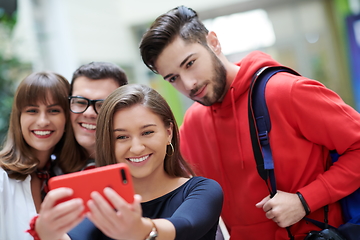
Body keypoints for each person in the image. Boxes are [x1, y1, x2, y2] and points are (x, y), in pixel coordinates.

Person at [139, 6, 360, 240]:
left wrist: (305, 200)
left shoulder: (285, 91)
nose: (189, 84)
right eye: (173, 78)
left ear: (213, 42)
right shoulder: (193, 124)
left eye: (190, 63)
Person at [34, 84, 224, 240]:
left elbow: (185, 225)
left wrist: (142, 230)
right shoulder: (102, 204)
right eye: (121, 137)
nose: (136, 148)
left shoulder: (203, 190)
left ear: (169, 133)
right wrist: (50, 234)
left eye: (147, 132)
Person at [0, 72, 84, 240]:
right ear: (19, 119)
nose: (43, 121)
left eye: (53, 110)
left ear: (67, 120)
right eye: (32, 110)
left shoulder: (68, 176)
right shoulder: (2, 178)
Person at [59, 62, 128, 173]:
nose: (89, 113)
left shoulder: (137, 160)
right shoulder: (49, 164)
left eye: (102, 105)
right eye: (80, 102)